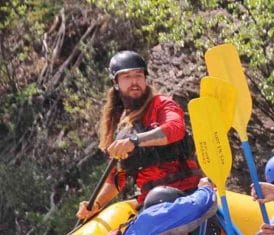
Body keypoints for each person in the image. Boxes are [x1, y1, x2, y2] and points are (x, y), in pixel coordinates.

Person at [76, 50, 200, 220]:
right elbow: (117, 178)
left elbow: (175, 128)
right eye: (126, 77)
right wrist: (96, 205)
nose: (134, 81)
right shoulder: (119, 127)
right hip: (151, 203)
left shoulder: (161, 104)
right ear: (116, 83)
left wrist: (135, 140)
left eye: (139, 75)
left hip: (189, 192)